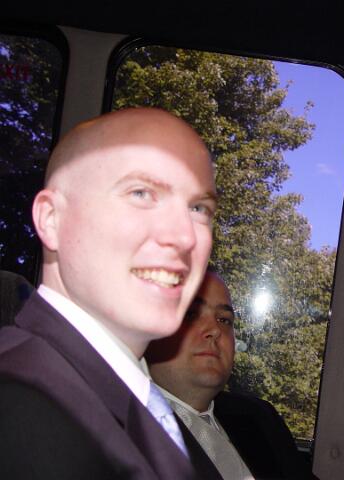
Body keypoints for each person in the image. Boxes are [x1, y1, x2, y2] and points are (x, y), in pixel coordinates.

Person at [0, 107, 222, 480]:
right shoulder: (25, 407)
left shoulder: (122, 394)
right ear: (51, 219)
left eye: (198, 208)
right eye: (141, 193)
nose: (185, 236)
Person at [147, 269, 316, 480]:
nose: (215, 329)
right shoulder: (123, 431)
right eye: (191, 314)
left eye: (224, 320)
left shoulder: (260, 418)